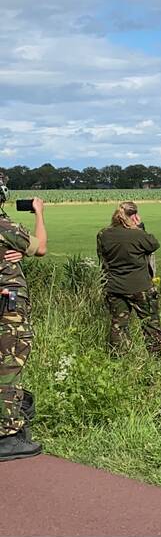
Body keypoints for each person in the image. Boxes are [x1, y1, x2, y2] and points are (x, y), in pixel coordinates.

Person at [0, 173, 47, 462]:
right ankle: (8, 435)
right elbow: (40, 246)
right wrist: (39, 213)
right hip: (8, 304)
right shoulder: (5, 226)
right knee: (10, 361)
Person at [96, 201, 161, 356]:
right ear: (134, 216)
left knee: (118, 325)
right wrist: (140, 227)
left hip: (114, 287)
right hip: (140, 287)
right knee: (150, 324)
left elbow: (102, 257)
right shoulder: (138, 234)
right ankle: (156, 360)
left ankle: (117, 360)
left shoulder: (103, 234)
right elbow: (153, 244)